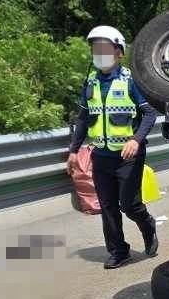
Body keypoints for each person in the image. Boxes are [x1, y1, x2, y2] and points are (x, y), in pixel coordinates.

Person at [66, 26, 159, 269]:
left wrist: (135, 139)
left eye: (105, 49)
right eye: (96, 50)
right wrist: (74, 151)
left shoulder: (131, 81)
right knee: (107, 207)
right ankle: (119, 251)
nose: (100, 54)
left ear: (119, 52)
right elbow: (83, 119)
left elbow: (149, 114)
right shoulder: (90, 83)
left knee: (129, 205)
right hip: (101, 157)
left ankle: (148, 226)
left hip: (128, 157)